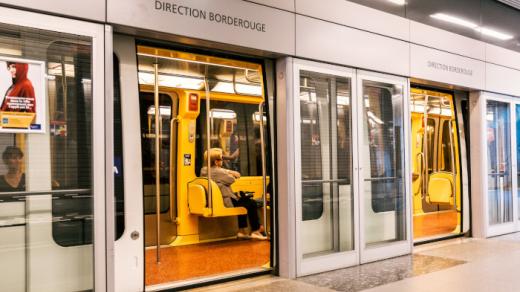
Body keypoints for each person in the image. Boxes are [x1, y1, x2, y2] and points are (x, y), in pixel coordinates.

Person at [201, 148, 266, 240]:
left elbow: (223, 176)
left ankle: (242, 231)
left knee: (244, 202)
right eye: (221, 159)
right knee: (251, 203)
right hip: (227, 201)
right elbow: (233, 178)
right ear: (216, 162)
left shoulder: (203, 170)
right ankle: (256, 229)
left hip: (222, 199)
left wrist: (226, 173)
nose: (223, 161)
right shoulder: (219, 172)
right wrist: (230, 172)